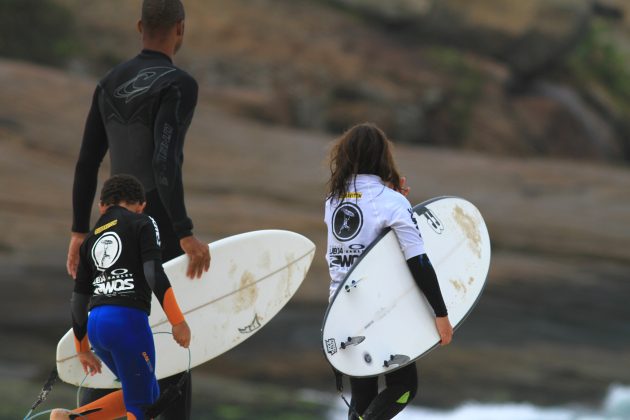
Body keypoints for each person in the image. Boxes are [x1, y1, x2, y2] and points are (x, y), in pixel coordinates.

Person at [65, 1, 210, 418]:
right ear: (180, 29)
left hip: (106, 225)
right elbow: (164, 162)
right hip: (154, 223)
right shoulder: (178, 84)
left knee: (120, 337)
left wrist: (80, 232)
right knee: (171, 352)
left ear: (139, 27)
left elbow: (86, 161)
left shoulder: (108, 82)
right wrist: (183, 230)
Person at [324, 123, 454, 420]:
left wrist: (393, 195)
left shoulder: (332, 201)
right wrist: (441, 313)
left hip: (339, 313)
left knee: (363, 394)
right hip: (380, 311)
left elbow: (366, 239)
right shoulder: (392, 202)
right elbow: (417, 260)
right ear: (383, 157)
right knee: (404, 386)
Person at [52, 174, 191, 420]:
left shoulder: (90, 240)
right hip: (128, 324)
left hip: (96, 327)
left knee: (146, 390)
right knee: (142, 407)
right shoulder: (143, 222)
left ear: (101, 206)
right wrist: (177, 321)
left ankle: (74, 418)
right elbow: (153, 272)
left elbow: (79, 298)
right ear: (141, 204)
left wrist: (82, 348)